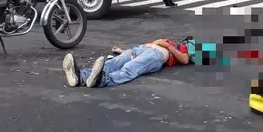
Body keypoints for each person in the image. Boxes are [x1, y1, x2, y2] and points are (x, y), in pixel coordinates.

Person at [62, 38, 196, 88]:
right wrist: (121, 51)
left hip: (157, 55)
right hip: (140, 49)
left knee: (129, 68)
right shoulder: (177, 43)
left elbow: (184, 60)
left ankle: (101, 80)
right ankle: (79, 77)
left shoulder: (182, 48)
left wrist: (166, 45)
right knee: (111, 63)